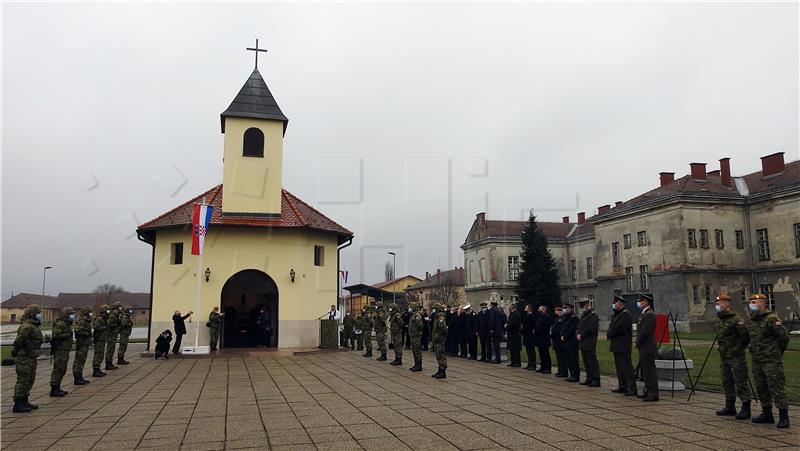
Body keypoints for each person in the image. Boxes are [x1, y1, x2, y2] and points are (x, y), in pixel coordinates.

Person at [748, 293, 790, 428]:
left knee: (776, 386)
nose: (752, 304)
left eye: (755, 302)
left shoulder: (771, 318)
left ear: (762, 303)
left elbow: (784, 337)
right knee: (761, 386)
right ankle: (767, 413)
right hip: (757, 359)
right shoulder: (753, 319)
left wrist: (776, 353)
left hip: (770, 359)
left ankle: (784, 416)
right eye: (751, 301)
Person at [712, 294, 752, 419]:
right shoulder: (720, 319)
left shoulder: (736, 319)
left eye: (720, 304)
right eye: (717, 304)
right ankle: (730, 406)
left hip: (736, 356)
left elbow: (745, 337)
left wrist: (736, 348)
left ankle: (746, 408)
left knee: (740, 381)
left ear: (727, 304)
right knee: (727, 381)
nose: (717, 306)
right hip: (724, 356)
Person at [11, 305, 44, 412]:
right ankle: (18, 403)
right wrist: (16, 352)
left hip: (31, 356)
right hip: (24, 357)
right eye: (38, 313)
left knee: (30, 379)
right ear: (33, 314)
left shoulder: (34, 326)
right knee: (23, 379)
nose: (40, 315)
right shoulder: (27, 327)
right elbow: (19, 342)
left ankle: (25, 400)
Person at [607, 295, 636, 396]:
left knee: (626, 367)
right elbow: (611, 326)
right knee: (619, 367)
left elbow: (619, 328)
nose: (614, 305)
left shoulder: (625, 314)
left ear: (620, 303)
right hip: (616, 345)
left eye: (616, 303)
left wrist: (610, 333)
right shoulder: (617, 314)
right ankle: (622, 386)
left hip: (623, 345)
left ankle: (632, 387)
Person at [636, 294, 659, 402]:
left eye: (641, 301)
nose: (639, 302)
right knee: (645, 371)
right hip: (644, 346)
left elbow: (645, 331)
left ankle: (653, 393)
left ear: (646, 302)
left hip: (648, 346)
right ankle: (648, 390)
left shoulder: (649, 314)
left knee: (650, 371)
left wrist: (637, 342)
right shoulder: (644, 314)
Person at [49, 307, 75, 397]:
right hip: (60, 350)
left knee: (62, 369)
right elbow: (56, 335)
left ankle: (58, 387)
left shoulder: (67, 324)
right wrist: (67, 334)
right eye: (71, 314)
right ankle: (54, 388)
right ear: (66, 314)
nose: (73, 316)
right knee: (58, 369)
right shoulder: (61, 323)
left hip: (64, 350)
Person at [577, 299, 600, 387]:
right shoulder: (583, 316)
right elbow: (579, 326)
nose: (583, 308)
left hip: (589, 341)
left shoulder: (593, 316)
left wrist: (581, 335)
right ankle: (589, 378)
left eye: (584, 306)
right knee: (586, 361)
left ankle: (595, 380)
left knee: (592, 361)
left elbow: (590, 328)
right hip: (583, 342)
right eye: (582, 306)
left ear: (588, 306)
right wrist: (578, 333)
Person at [72, 306, 93, 385]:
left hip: (85, 343)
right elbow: (77, 331)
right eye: (90, 312)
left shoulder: (86, 320)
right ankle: (77, 377)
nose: (91, 314)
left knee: (82, 360)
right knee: (79, 360)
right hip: (81, 344)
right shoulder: (82, 321)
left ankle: (80, 377)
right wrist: (86, 334)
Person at [561, 303, 580, 382]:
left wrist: (564, 336)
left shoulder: (574, 318)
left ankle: (576, 375)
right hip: (566, 341)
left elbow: (572, 330)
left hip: (572, 341)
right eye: (564, 308)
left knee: (573, 359)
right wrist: (562, 335)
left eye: (567, 308)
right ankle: (571, 374)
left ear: (571, 309)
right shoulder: (565, 318)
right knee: (569, 359)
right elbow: (563, 328)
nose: (565, 309)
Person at [91, 304, 110, 378]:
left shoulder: (104, 318)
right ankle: (95, 370)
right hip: (99, 339)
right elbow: (95, 326)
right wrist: (104, 327)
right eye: (107, 310)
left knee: (101, 354)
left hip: (102, 339)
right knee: (98, 354)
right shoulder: (100, 318)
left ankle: (98, 369)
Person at [533, 305, 553, 373]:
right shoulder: (540, 317)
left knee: (545, 354)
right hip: (540, 339)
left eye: (540, 309)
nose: (539, 311)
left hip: (544, 339)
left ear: (544, 310)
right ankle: (543, 367)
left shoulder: (547, 318)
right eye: (538, 309)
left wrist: (536, 330)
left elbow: (545, 328)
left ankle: (548, 368)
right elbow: (537, 325)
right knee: (541, 354)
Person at [431, 303, 448, 379]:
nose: (433, 310)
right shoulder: (437, 317)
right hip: (437, 338)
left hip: (440, 339)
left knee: (441, 354)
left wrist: (442, 335)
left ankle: (442, 371)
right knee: (438, 354)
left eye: (435, 308)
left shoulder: (441, 317)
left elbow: (443, 328)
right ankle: (440, 369)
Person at [105, 302, 122, 371]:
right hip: (111, 335)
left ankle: (110, 363)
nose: (120, 309)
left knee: (112, 349)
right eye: (119, 308)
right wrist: (117, 325)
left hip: (113, 335)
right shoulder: (112, 316)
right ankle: (108, 364)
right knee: (110, 349)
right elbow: (110, 325)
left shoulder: (116, 315)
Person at [505, 303, 522, 367]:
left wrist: (507, 325)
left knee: (515, 349)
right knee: (512, 349)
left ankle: (517, 362)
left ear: (512, 307)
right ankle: (513, 362)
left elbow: (512, 324)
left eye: (510, 307)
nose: (509, 308)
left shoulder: (515, 314)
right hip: (512, 334)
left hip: (515, 335)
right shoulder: (513, 314)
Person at [551, 306, 566, 377]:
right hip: (556, 340)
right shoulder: (557, 318)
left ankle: (564, 371)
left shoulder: (563, 319)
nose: (555, 311)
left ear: (561, 311)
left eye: (557, 310)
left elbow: (560, 329)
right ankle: (560, 370)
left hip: (560, 340)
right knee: (558, 357)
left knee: (562, 357)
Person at [409, 302, 424, 372]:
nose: (410, 308)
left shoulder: (417, 315)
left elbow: (420, 325)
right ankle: (416, 364)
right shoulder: (413, 315)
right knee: (414, 350)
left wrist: (418, 332)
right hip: (413, 335)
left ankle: (419, 365)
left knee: (417, 350)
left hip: (416, 335)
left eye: (411, 307)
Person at [521, 304, 537, 370]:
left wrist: (521, 332)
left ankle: (532, 364)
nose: (525, 309)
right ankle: (530, 364)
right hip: (527, 335)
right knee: (528, 351)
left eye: (526, 308)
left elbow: (527, 326)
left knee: (531, 351)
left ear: (529, 309)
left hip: (530, 336)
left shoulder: (531, 316)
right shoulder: (527, 315)